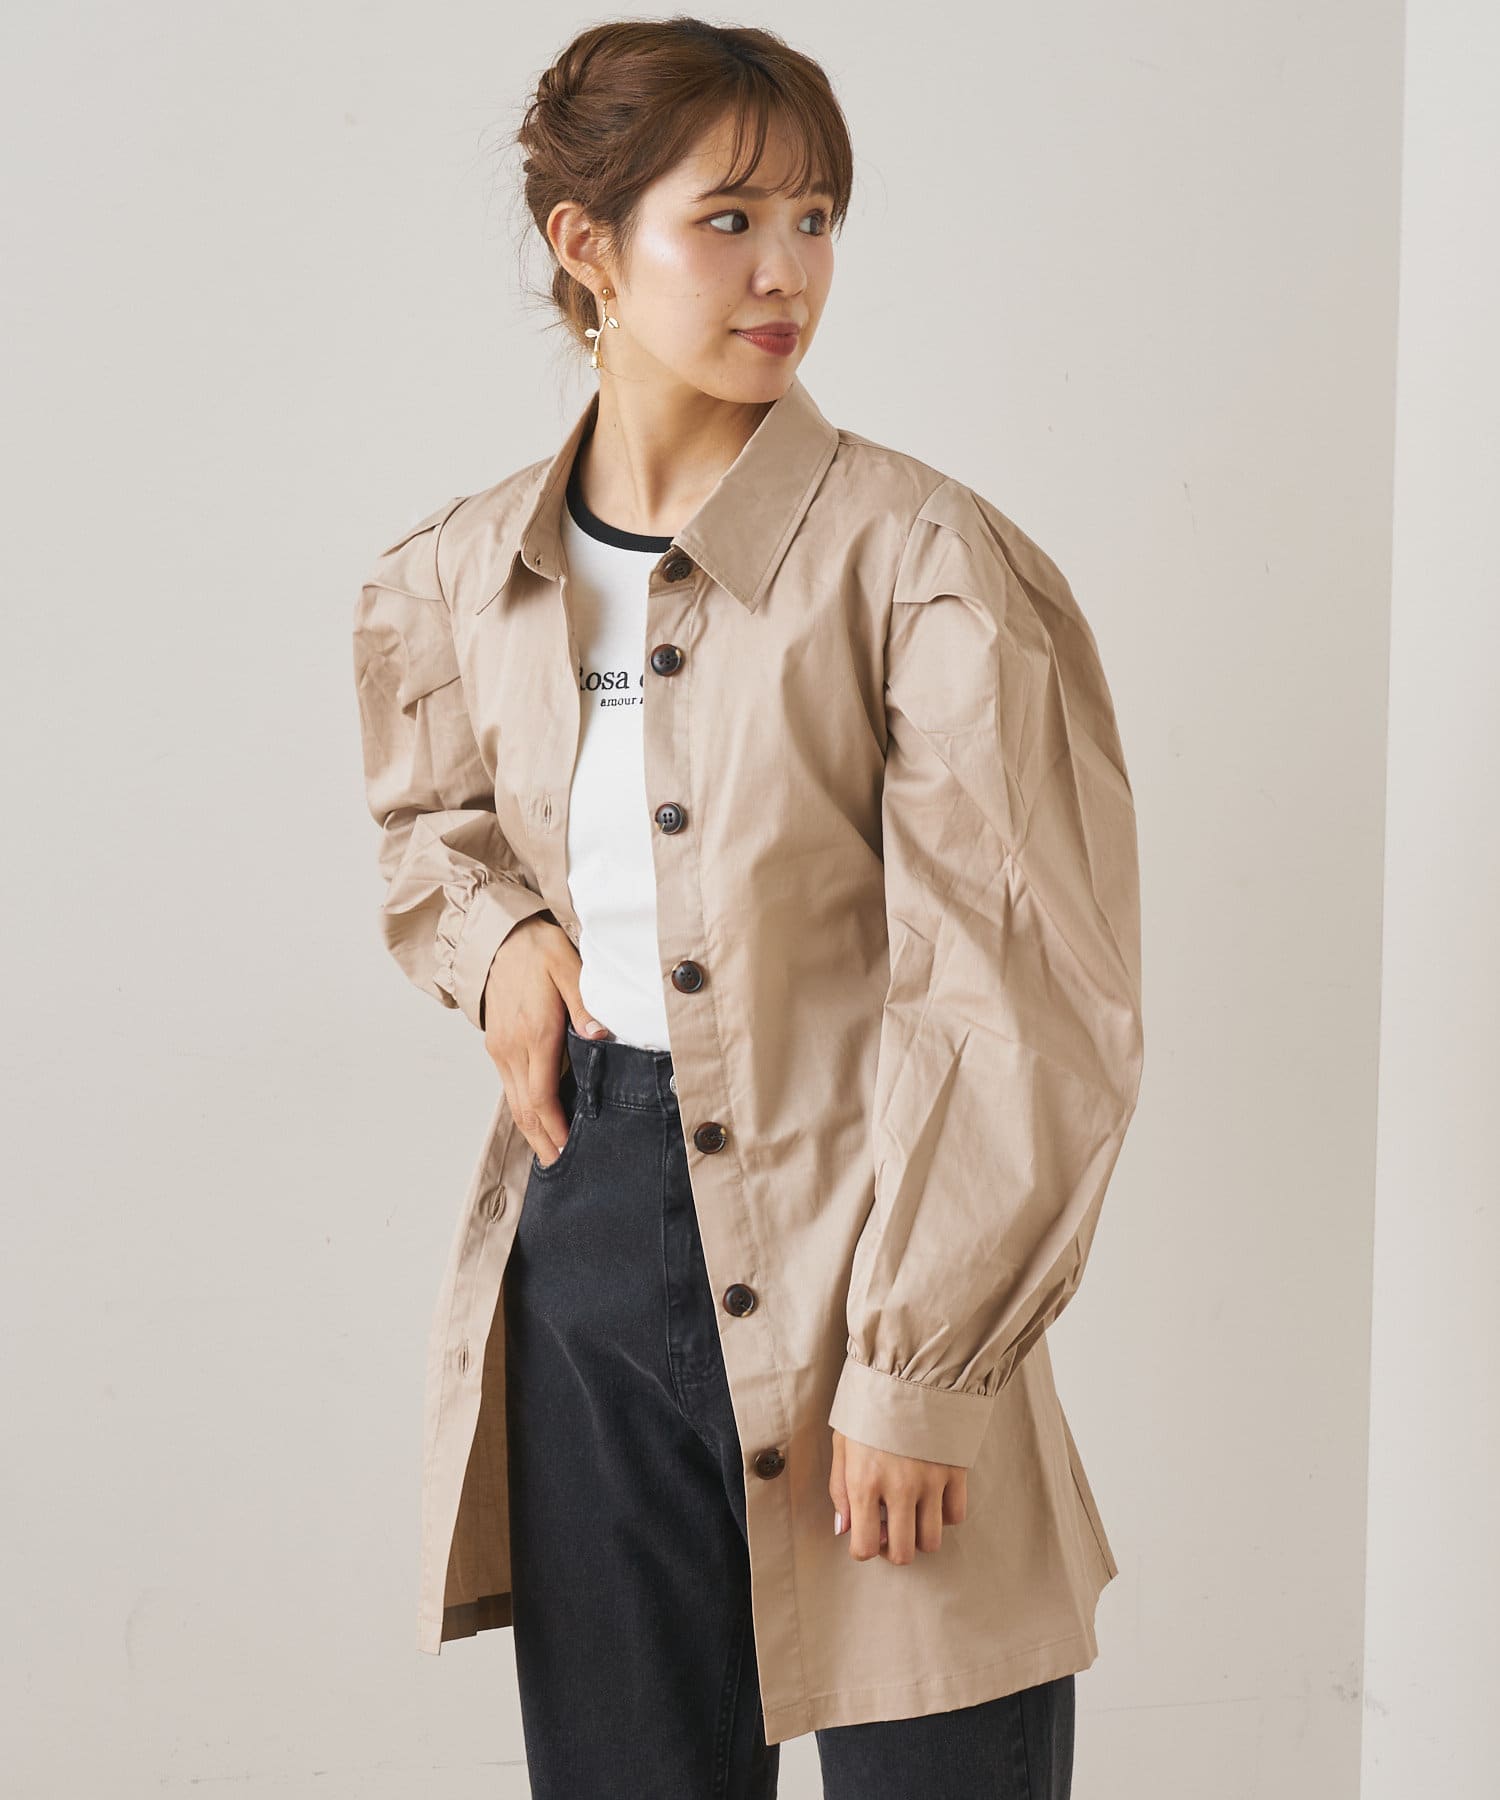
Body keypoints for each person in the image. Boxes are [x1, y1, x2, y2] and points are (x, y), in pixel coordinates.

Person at [351, 18, 1144, 1799]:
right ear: (585, 246)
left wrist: (921, 1372)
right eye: (729, 220)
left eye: (816, 218)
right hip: (586, 1259)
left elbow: (1018, 990)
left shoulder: (923, 563)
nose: (787, 272)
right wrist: (503, 945)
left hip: (879, 1243)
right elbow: (430, 829)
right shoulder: (460, 575)